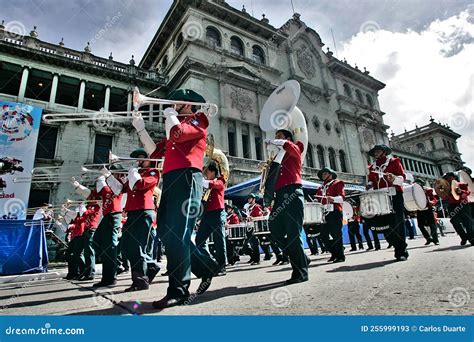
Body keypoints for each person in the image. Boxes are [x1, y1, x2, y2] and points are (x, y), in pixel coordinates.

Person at [132, 89, 219, 308]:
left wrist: (170, 113)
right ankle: (205, 266)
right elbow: (154, 154)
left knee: (178, 234)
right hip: (171, 179)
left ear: (188, 104)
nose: (171, 104)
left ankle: (179, 291)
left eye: (176, 102)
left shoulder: (199, 120)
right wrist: (141, 128)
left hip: (188, 177)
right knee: (166, 232)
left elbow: (178, 134)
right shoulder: (175, 126)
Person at [105, 148, 161, 292]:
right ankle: (150, 266)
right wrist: (108, 176)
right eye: (137, 158)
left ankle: (140, 281)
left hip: (144, 212)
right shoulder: (136, 173)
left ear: (149, 159)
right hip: (133, 213)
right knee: (126, 245)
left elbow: (141, 185)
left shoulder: (153, 172)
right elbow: (119, 189)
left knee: (136, 246)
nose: (138, 160)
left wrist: (133, 172)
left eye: (141, 157)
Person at [266, 129, 309, 284]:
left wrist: (272, 141)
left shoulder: (295, 148)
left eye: (279, 136)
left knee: (293, 234)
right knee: (274, 228)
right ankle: (302, 258)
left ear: (288, 138)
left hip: (292, 192)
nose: (276, 138)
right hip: (280, 196)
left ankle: (300, 273)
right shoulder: (278, 157)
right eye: (275, 136)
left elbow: (286, 145)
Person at [367, 144, 408, 261]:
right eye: (375, 152)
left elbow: (402, 178)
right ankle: (397, 244)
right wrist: (369, 186)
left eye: (378, 151)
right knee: (383, 226)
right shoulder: (372, 167)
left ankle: (401, 251)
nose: (376, 154)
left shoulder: (394, 161)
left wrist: (394, 178)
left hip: (394, 196)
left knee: (397, 224)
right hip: (379, 198)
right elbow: (371, 181)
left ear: (384, 152)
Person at [196, 161, 227, 275]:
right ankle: (210, 264)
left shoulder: (221, 180)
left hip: (217, 213)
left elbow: (213, 185)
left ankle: (222, 265)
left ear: (213, 172)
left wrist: (200, 179)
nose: (206, 174)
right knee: (199, 240)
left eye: (207, 171)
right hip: (207, 215)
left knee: (219, 240)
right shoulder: (207, 185)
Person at [315, 167, 346, 263]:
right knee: (323, 236)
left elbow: (342, 198)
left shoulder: (338, 183)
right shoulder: (320, 187)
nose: (323, 175)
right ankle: (334, 252)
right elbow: (319, 199)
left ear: (331, 174)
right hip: (324, 213)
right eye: (322, 174)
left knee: (336, 234)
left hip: (335, 212)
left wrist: (333, 198)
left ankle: (340, 256)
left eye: (325, 173)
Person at [442, 172, 473, 245]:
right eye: (446, 178)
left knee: (467, 222)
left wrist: (461, 192)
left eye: (449, 177)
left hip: (463, 205)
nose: (448, 179)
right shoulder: (445, 188)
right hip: (452, 206)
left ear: (454, 177)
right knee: (454, 222)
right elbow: (442, 196)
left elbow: (468, 192)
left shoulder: (461, 184)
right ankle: (463, 237)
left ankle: (472, 237)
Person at [413, 178, 439, 245]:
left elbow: (434, 199)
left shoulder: (428, 190)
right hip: (420, 210)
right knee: (420, 225)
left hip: (428, 209)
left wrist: (432, 202)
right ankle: (428, 239)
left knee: (432, 225)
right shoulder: (413, 191)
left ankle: (436, 240)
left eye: (418, 183)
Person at [244, 193, 264, 265]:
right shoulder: (248, 208)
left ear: (254, 199)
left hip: (255, 227)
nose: (248, 200)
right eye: (248, 198)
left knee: (255, 244)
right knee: (249, 244)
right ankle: (253, 258)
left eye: (250, 198)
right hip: (249, 227)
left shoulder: (257, 207)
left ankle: (257, 260)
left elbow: (260, 217)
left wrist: (252, 218)